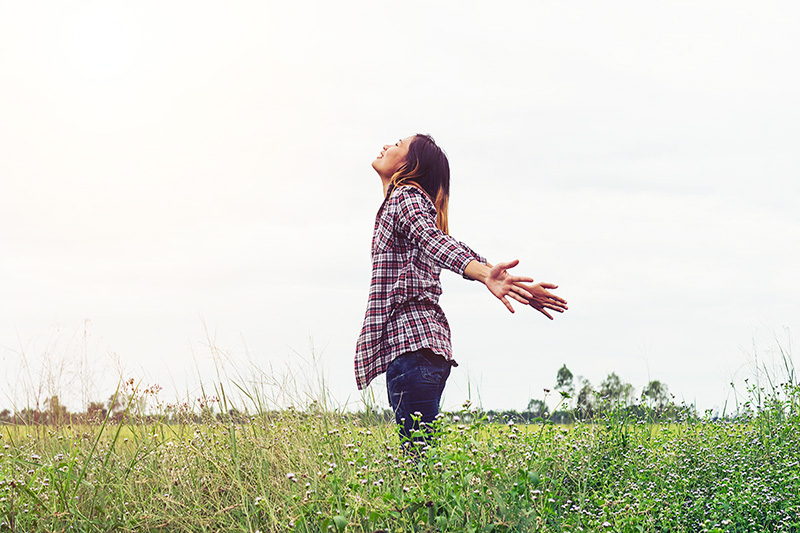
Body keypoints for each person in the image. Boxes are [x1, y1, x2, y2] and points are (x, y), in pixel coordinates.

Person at [355, 134, 567, 448]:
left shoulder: (405, 197)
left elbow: (434, 241)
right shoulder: (403, 206)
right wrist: (493, 273)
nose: (386, 145)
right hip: (420, 351)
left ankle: (427, 499)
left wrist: (486, 276)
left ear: (410, 165)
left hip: (415, 350)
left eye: (397, 145)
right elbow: (443, 242)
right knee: (419, 457)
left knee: (418, 463)